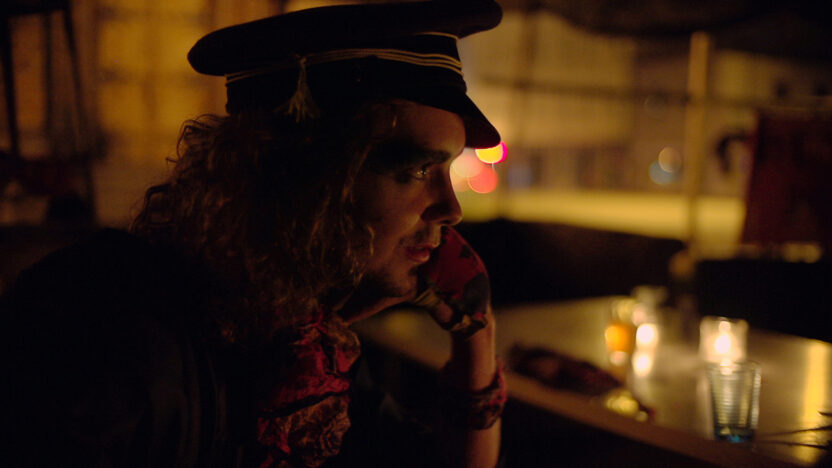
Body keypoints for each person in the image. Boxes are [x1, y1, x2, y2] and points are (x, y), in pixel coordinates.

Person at [0, 1, 506, 467]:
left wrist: (477, 337)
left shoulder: (304, 339)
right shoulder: (103, 332)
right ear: (306, 174)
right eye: (417, 170)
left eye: (447, 171)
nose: (452, 209)